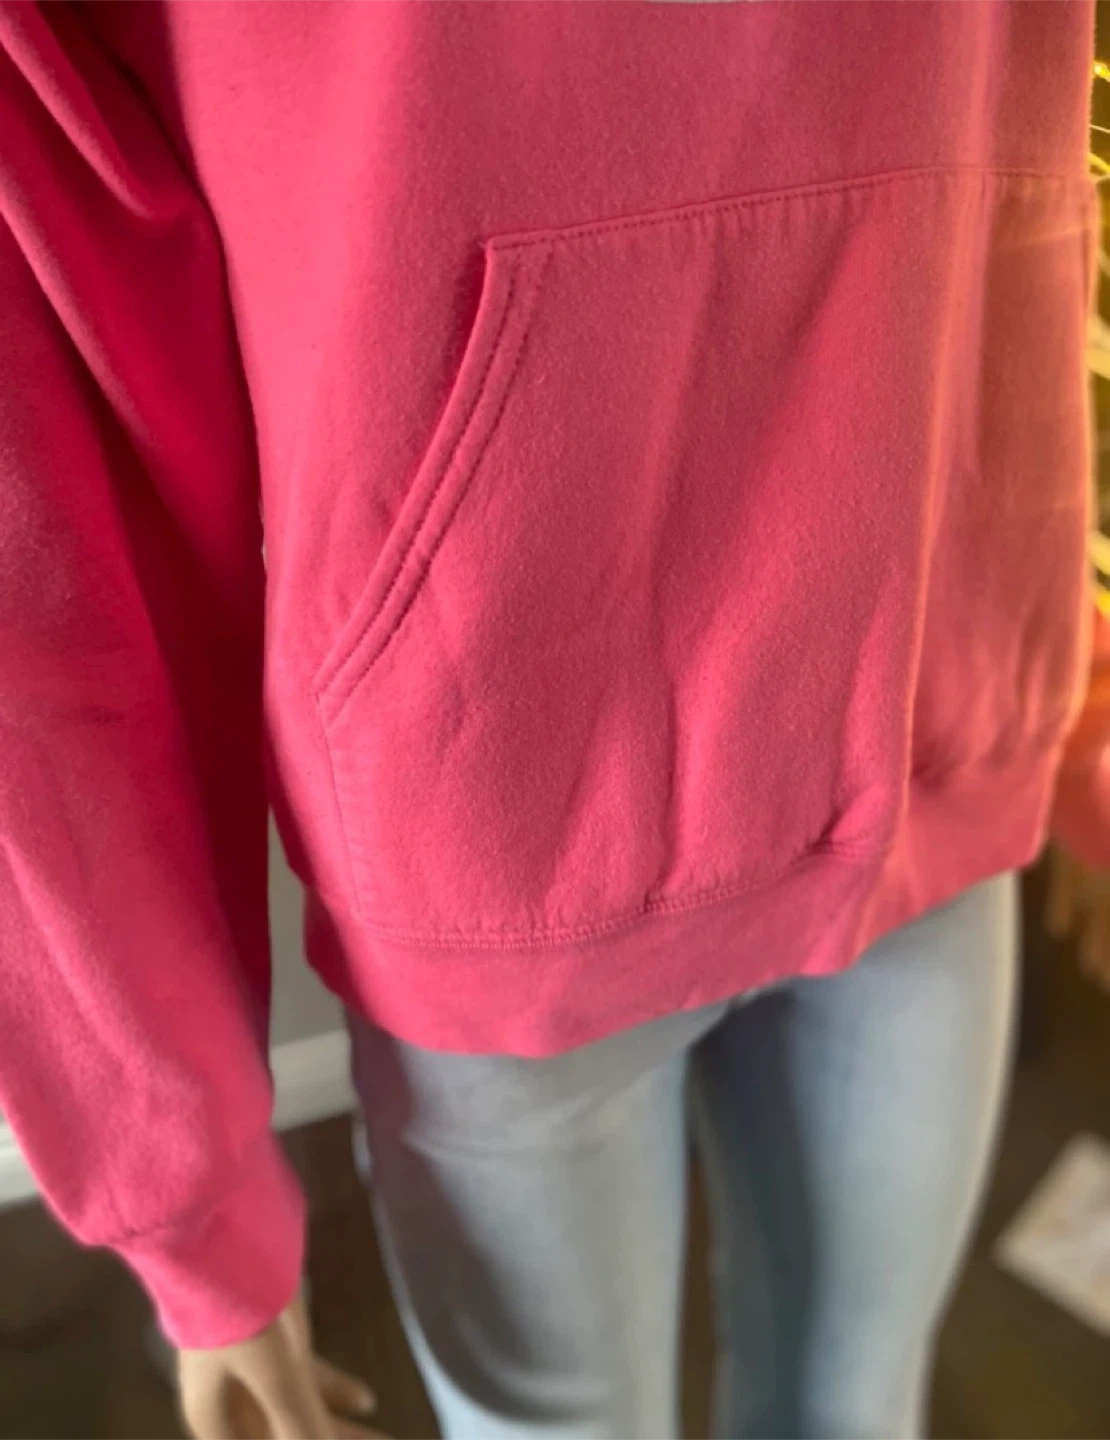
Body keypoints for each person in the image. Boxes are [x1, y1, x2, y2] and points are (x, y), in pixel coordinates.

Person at [0, 2, 1104, 1437]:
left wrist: (1072, 724)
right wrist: (187, 1204)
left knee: (861, 1408)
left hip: (938, 752)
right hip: (505, 846)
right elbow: (53, 550)